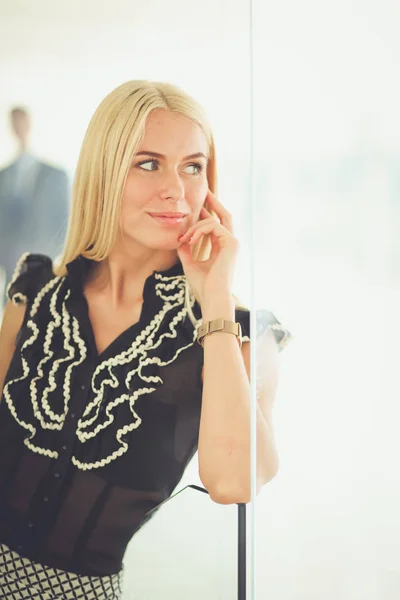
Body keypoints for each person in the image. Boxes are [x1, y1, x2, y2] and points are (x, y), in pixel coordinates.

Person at [0, 80, 291, 599]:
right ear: (103, 171)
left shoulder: (242, 333)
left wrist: (214, 297)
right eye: (149, 163)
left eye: (193, 166)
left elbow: (235, 482)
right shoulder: (33, 293)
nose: (176, 191)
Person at [0, 107, 69, 307]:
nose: (18, 127)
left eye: (22, 122)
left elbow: (63, 220)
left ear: (29, 124)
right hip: (11, 273)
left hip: (45, 268)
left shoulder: (56, 175)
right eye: (14, 123)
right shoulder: (3, 176)